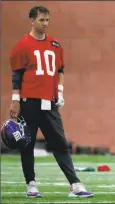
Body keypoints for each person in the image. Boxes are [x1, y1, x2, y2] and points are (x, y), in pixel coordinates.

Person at [9, 5, 93, 198]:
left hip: (50, 102)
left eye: (47, 20)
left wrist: (60, 91)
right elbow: (17, 75)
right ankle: (31, 184)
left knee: (60, 143)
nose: (45, 24)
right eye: (41, 20)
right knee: (26, 144)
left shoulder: (55, 44)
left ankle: (75, 184)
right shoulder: (22, 45)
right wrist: (15, 100)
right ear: (32, 20)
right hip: (28, 101)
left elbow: (60, 71)